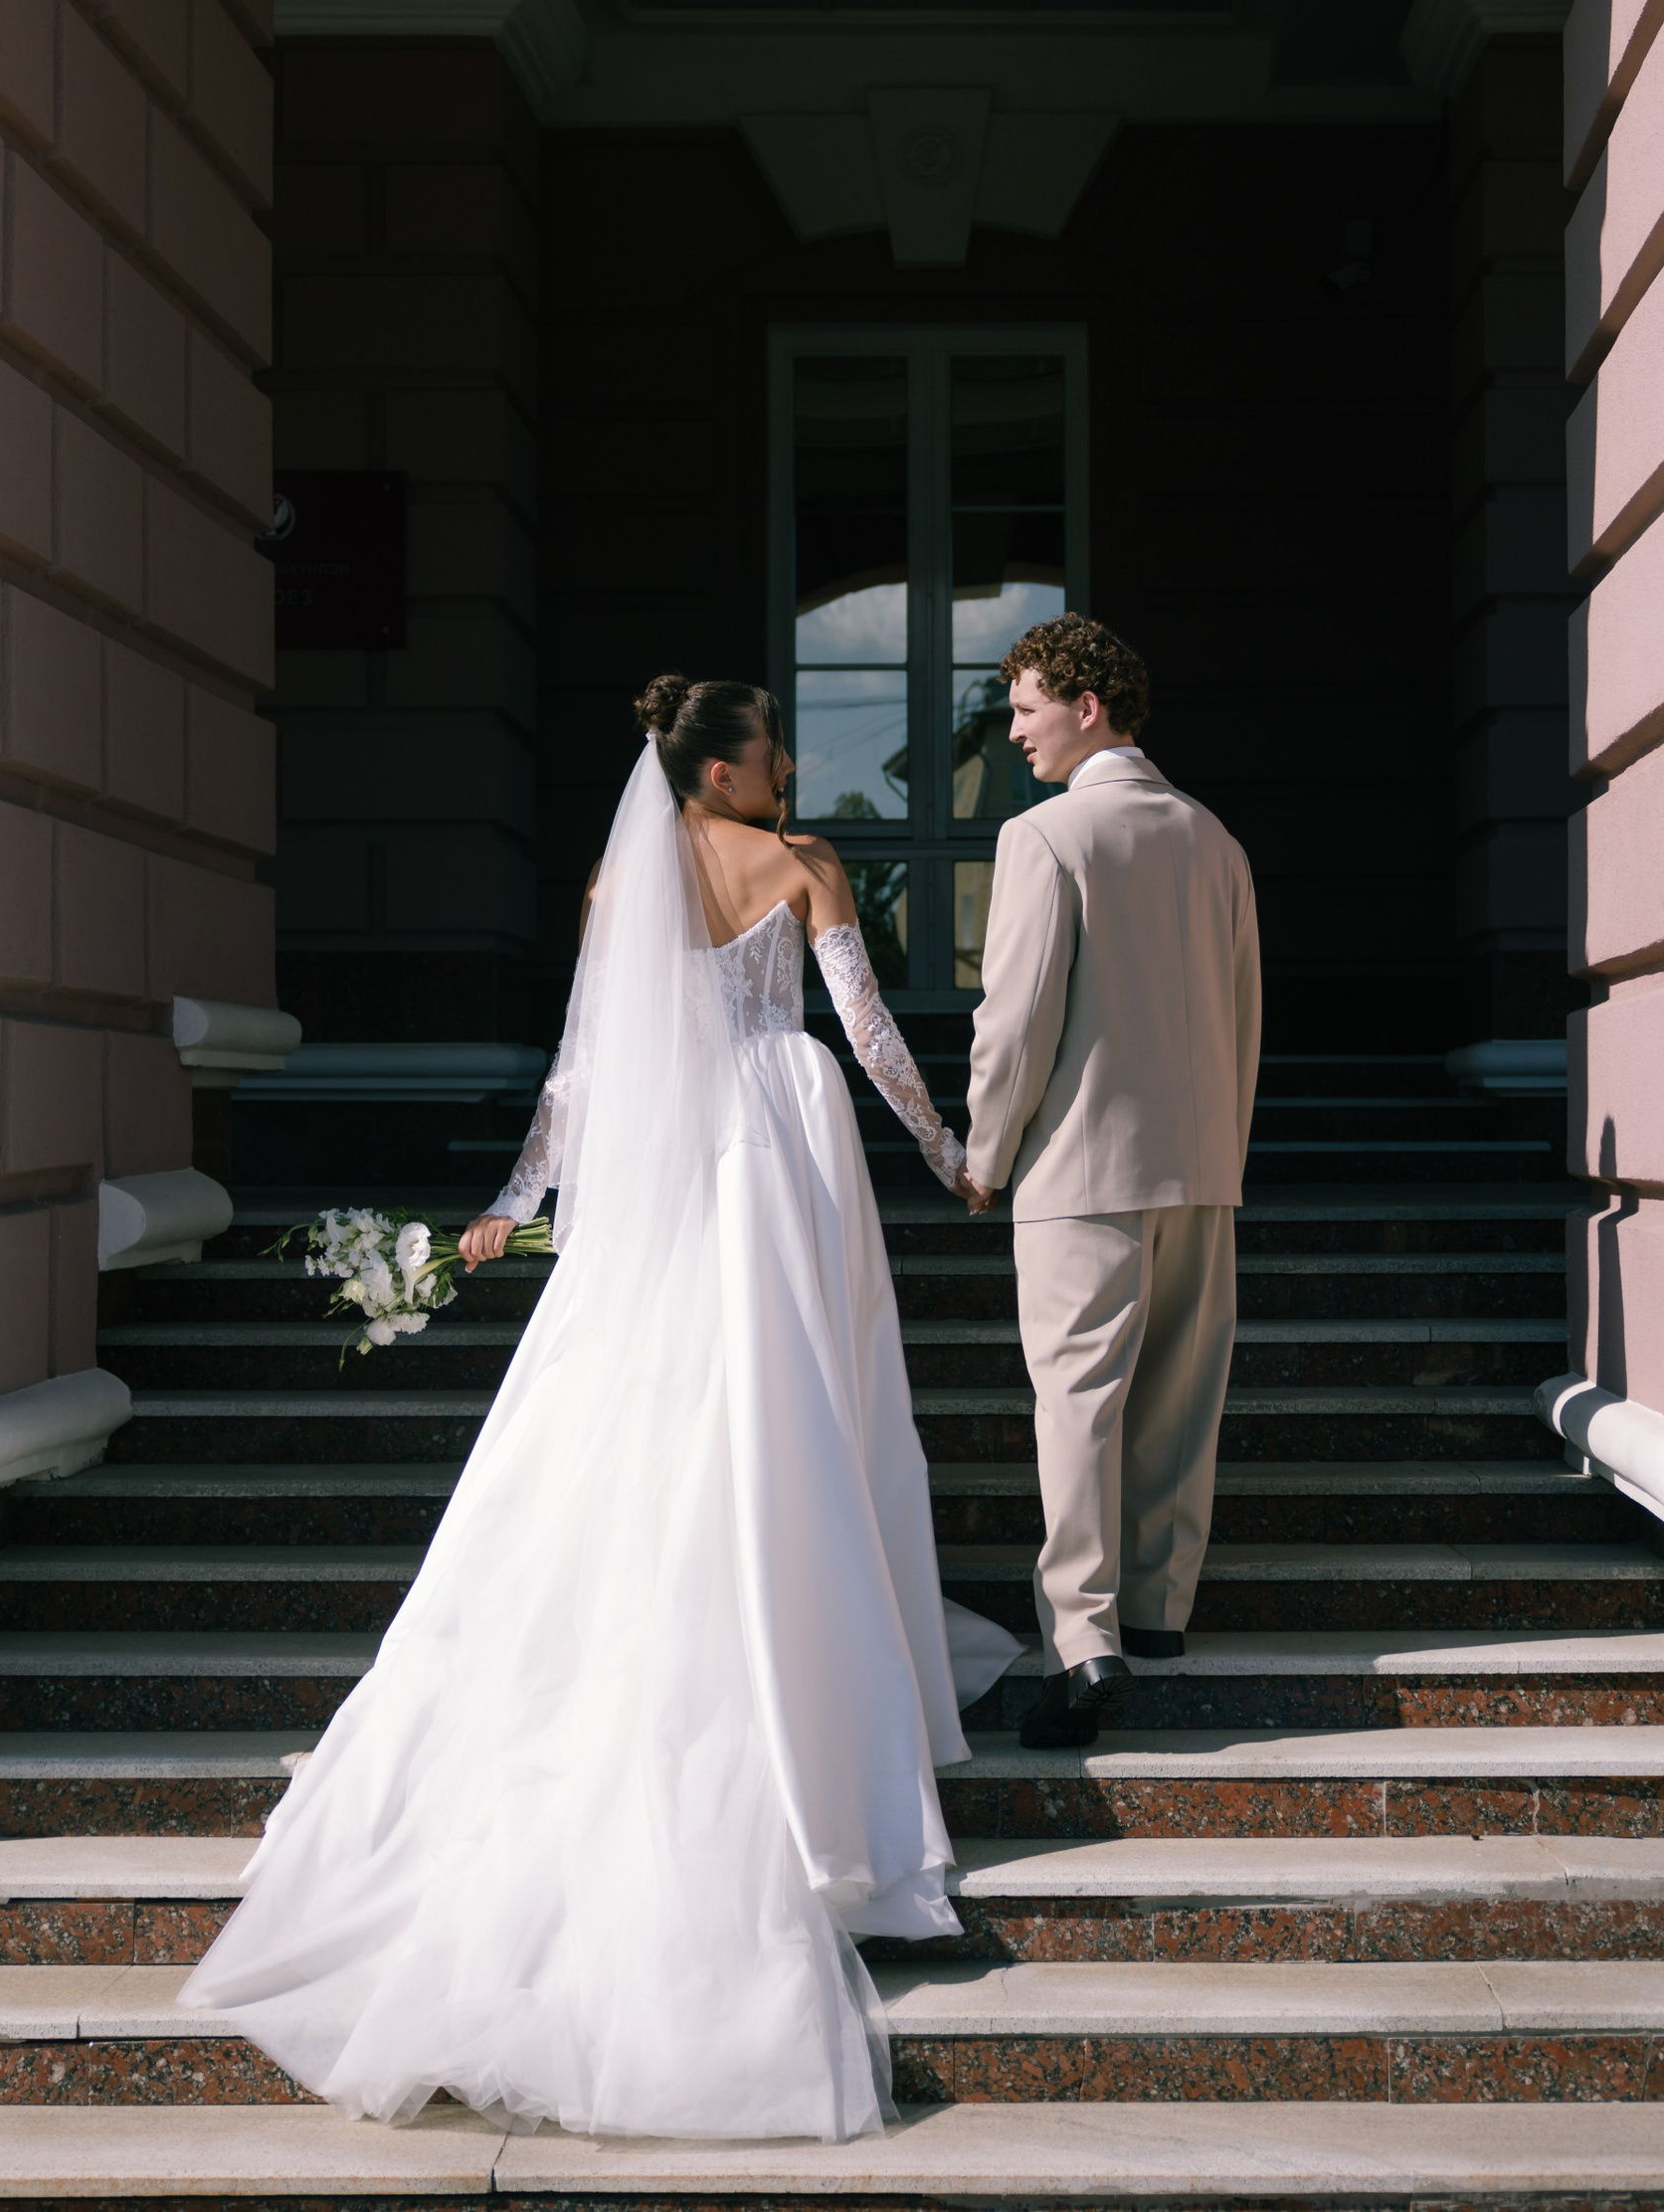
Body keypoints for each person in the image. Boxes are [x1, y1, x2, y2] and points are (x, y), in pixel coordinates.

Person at [184, 673, 1019, 2142]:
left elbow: (578, 1072)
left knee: (662, 1410)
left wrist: (513, 1203)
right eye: (771, 746)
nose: (788, 765)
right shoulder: (805, 864)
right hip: (781, 1148)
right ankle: (811, 1676)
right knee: (797, 1410)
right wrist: (950, 1149)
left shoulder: (616, 881)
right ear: (718, 768)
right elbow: (871, 1032)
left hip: (667, 1173)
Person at [963, 611, 1259, 1751]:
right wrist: (1221, 1152)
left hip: (1079, 1169)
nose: (1015, 729)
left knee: (1078, 1407)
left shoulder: (1045, 838)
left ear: (1087, 707)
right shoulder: (1214, 838)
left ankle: (1082, 1643)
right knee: (1181, 1401)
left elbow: (1016, 1019)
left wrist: (986, 1154)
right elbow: (1242, 1016)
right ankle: (1160, 1606)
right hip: (1200, 1167)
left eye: (1027, 707)